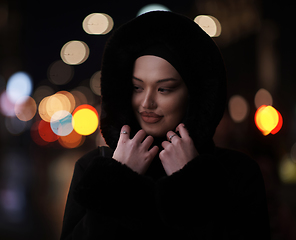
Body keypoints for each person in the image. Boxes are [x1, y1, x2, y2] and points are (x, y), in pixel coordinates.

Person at [60, 11, 270, 239]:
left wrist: (192, 183)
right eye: (137, 87)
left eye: (164, 89)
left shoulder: (237, 172)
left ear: (193, 95)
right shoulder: (93, 168)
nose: (147, 102)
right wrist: (118, 181)